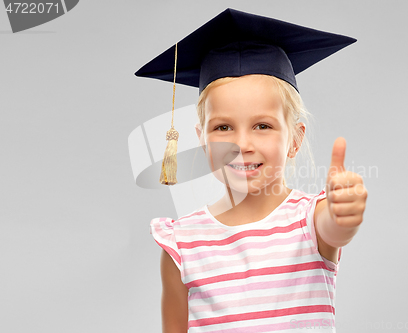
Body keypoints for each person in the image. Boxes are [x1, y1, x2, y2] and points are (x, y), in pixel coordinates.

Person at [137, 8, 368, 333]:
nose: (242, 143)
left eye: (262, 125)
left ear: (295, 139)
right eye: (223, 127)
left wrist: (343, 213)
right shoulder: (181, 244)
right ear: (202, 139)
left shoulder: (310, 222)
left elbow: (334, 228)